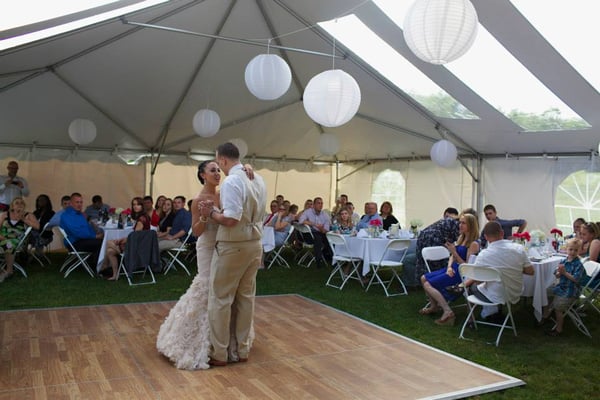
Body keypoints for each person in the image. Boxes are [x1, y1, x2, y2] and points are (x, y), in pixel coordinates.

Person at [199, 142, 267, 367]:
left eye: (218, 163)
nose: (219, 167)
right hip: (255, 244)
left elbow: (231, 219)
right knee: (246, 298)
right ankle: (242, 349)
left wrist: (212, 213)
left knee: (220, 298)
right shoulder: (258, 179)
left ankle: (219, 353)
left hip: (234, 245)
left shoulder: (232, 181)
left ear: (223, 160)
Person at [419, 213, 480, 326]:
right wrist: (449, 267)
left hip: (462, 273)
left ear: (471, 225)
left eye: (463, 223)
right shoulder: (461, 238)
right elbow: (452, 257)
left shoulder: (473, 244)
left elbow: (467, 266)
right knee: (423, 278)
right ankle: (434, 306)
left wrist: (454, 252)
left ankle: (448, 311)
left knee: (428, 284)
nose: (460, 225)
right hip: (453, 269)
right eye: (460, 222)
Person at [467, 221, 534, 322]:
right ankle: (494, 313)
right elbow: (530, 271)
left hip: (496, 295)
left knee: (471, 287)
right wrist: (512, 267)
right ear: (502, 233)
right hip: (515, 292)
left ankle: (472, 320)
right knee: (497, 283)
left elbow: (477, 280)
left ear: (485, 237)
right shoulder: (519, 248)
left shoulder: (484, 254)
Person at [539, 238, 584, 336]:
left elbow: (576, 279)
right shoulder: (564, 260)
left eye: (575, 250)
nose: (572, 252)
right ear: (566, 249)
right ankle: (546, 315)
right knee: (545, 292)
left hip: (571, 291)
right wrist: (559, 273)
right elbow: (556, 273)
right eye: (571, 249)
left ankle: (559, 329)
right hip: (561, 286)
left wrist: (564, 273)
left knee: (558, 306)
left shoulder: (579, 265)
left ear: (579, 251)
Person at [99, 197, 151, 280]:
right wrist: (122, 240)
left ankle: (104, 266)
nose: (135, 206)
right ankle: (115, 275)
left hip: (137, 248)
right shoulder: (143, 217)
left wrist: (122, 240)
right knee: (110, 251)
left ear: (142, 206)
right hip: (139, 244)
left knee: (109, 243)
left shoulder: (141, 219)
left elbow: (134, 236)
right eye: (134, 204)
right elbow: (134, 236)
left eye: (138, 204)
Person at [414, 207, 460, 280]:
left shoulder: (451, 222)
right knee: (435, 262)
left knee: (428, 262)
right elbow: (455, 242)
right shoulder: (456, 224)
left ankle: (429, 280)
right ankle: (434, 280)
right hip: (431, 239)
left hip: (425, 237)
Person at [0, 198, 39, 282]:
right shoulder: (4, 214)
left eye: (21, 203)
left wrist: (23, 219)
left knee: (8, 245)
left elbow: (37, 226)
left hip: (18, 241)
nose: (19, 204)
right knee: (6, 243)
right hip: (2, 238)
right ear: (12, 205)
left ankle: (9, 271)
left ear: (24, 205)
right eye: (17, 203)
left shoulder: (28, 215)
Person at [60, 193, 104, 267]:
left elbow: (87, 228)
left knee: (103, 241)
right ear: (71, 203)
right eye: (77, 202)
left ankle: (97, 264)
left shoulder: (79, 214)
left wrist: (96, 235)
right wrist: (95, 236)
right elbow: (78, 233)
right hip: (74, 243)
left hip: (82, 240)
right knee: (102, 243)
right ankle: (100, 267)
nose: (79, 204)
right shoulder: (66, 216)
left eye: (81, 202)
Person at [298, 197, 333, 269]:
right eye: (318, 203)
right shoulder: (308, 212)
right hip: (309, 234)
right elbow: (301, 220)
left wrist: (321, 228)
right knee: (318, 238)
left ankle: (332, 257)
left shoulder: (325, 215)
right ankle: (318, 260)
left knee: (329, 238)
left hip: (321, 233)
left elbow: (326, 230)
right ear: (313, 205)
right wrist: (313, 224)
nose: (320, 205)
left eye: (321, 203)